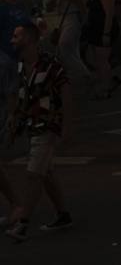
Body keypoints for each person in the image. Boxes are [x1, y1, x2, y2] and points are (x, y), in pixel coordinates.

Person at [2, 24, 73, 242]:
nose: (12, 40)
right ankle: (63, 214)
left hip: (48, 126)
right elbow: (24, 95)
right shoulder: (24, 65)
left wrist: (67, 127)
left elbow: (66, 94)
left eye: (16, 36)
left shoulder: (50, 65)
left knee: (34, 174)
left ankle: (23, 223)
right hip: (33, 125)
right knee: (46, 173)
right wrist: (15, 119)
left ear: (30, 39)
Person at [82, 0, 121, 98]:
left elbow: (109, 14)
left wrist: (106, 33)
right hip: (94, 27)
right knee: (93, 58)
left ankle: (106, 86)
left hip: (103, 28)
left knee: (102, 59)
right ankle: (104, 80)